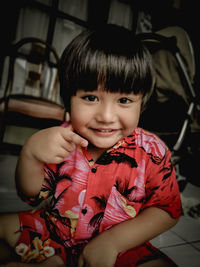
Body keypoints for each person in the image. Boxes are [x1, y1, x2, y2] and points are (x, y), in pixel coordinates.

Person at [0, 24, 183, 267]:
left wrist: (114, 242)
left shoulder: (154, 151)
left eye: (124, 100)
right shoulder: (61, 139)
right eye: (90, 98)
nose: (106, 116)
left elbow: (167, 210)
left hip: (118, 247)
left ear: (142, 103)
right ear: (69, 99)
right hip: (54, 232)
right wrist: (30, 154)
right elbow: (32, 196)